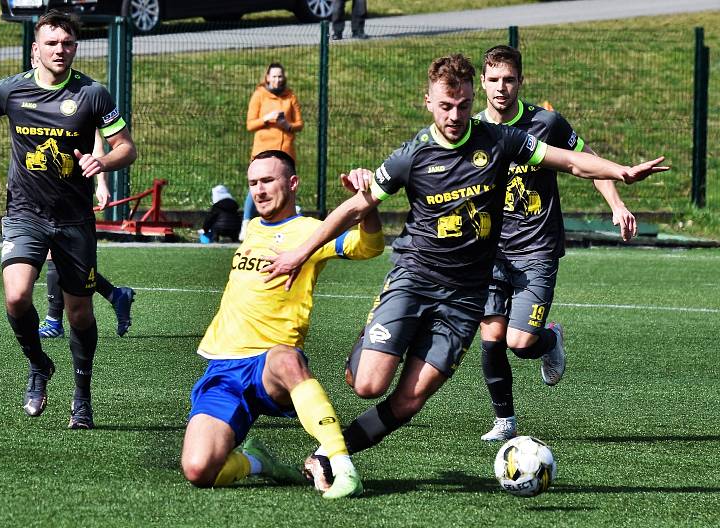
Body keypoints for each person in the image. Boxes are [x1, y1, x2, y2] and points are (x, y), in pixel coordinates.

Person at [261, 54, 667, 488]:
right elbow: (356, 206)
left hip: (465, 297)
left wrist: (620, 174)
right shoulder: (412, 156)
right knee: (367, 385)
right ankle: (370, 343)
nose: (455, 116)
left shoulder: (499, 140)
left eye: (462, 104)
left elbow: (569, 161)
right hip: (413, 279)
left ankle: (329, 454)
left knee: (409, 400)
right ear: (428, 103)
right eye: (446, 106)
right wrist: (300, 252)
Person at [180, 150, 384, 499]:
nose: (258, 190)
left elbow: (371, 246)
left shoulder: (311, 231)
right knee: (199, 470)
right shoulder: (255, 227)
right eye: (252, 183)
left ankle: (343, 466)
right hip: (223, 368)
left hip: (270, 364)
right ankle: (258, 462)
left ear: (292, 183)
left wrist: (367, 202)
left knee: (286, 357)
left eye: (267, 181)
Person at [0, 10, 137, 429]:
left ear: (75, 48)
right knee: (16, 297)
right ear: (35, 49)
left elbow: (126, 147)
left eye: (67, 43)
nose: (60, 50)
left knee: (79, 313)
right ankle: (39, 365)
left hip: (74, 218)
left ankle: (82, 397)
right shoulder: (10, 90)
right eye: (52, 43)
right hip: (24, 212)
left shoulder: (92, 93)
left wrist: (104, 160)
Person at [475, 45, 638, 441]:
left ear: (520, 81)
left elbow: (586, 161)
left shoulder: (546, 123)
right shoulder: (473, 129)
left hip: (537, 249)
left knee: (520, 341)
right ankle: (505, 422)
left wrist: (616, 204)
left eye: (509, 79)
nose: (501, 87)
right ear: (482, 83)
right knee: (491, 336)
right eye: (494, 80)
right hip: (491, 252)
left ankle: (550, 338)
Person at [39, 129, 135, 339]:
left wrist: (101, 184)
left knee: (54, 254)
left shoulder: (80, 104)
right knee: (63, 259)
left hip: (70, 194)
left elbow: (96, 148)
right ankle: (116, 295)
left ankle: (54, 321)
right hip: (44, 192)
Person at [241, 63, 303, 241]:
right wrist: (266, 119)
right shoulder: (259, 95)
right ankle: (246, 224)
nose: (277, 79)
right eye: (274, 76)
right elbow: (250, 124)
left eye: (280, 76)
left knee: (287, 189)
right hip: (264, 151)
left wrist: (287, 125)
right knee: (258, 187)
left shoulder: (290, 96)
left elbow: (299, 124)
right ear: (267, 77)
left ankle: (285, 228)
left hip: (285, 151)